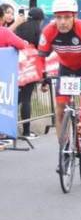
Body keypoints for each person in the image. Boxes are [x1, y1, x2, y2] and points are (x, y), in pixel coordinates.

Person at [36, 0, 81, 151]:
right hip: (66, 69)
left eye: (67, 17)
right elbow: (39, 58)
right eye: (59, 17)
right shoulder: (49, 31)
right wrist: (42, 77)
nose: (62, 22)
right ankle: (64, 148)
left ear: (75, 17)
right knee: (60, 108)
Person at [14, 7, 43, 139]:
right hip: (31, 65)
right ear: (40, 19)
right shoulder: (37, 29)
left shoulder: (19, 27)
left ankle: (8, 128)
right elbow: (41, 48)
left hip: (17, 62)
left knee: (16, 99)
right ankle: (26, 131)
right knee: (26, 99)